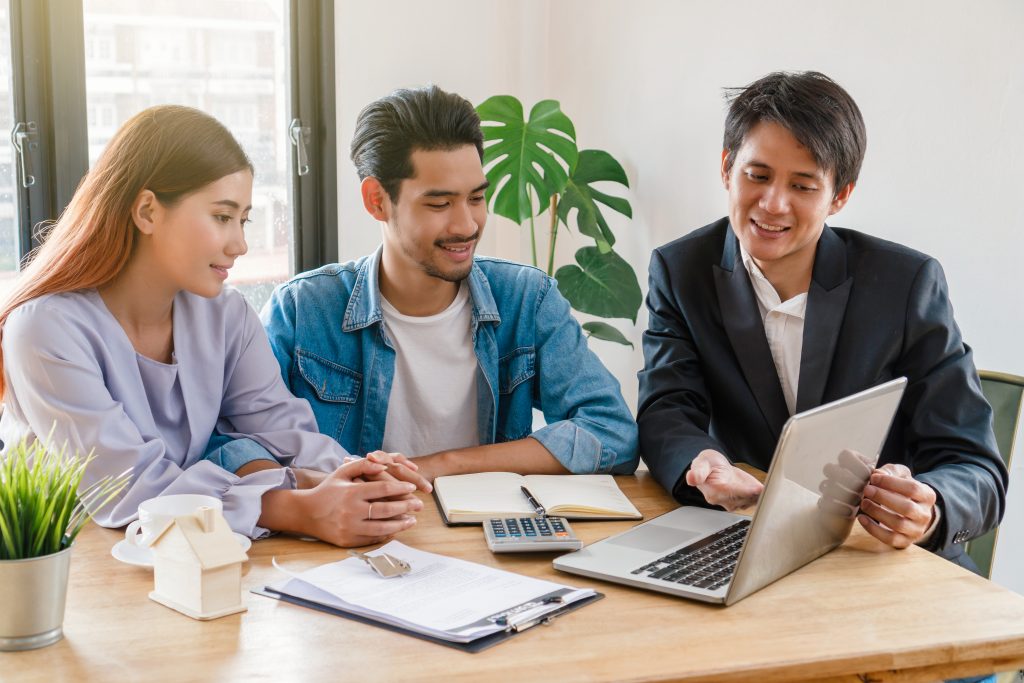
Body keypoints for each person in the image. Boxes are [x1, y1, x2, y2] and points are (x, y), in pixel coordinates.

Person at [0, 105, 429, 548]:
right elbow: (128, 490)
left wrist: (357, 471)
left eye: (243, 220)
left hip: (190, 554)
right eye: (222, 217)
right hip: (74, 568)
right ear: (147, 211)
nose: (240, 244)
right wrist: (298, 510)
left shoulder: (226, 316)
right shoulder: (44, 329)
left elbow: (282, 429)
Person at [637, 71, 1007, 570]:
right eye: (758, 175)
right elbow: (668, 409)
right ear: (727, 168)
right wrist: (701, 463)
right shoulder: (680, 271)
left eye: (803, 185)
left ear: (840, 195)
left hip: (879, 561)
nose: (772, 204)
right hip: (745, 549)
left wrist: (931, 507)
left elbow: (976, 466)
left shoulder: (906, 283)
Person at [236, 85, 637, 483]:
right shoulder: (303, 309)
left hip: (485, 538)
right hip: (350, 538)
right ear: (377, 200)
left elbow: (613, 432)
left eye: (476, 198)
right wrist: (323, 493)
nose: (466, 225)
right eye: (440, 204)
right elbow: (235, 444)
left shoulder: (526, 299)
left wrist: (445, 464)